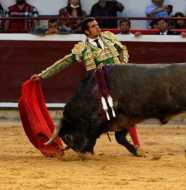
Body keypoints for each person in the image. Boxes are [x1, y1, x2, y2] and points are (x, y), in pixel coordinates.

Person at [30, 17, 142, 151]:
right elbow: (64, 62)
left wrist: (122, 65)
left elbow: (123, 50)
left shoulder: (109, 37)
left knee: (128, 110)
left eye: (97, 24)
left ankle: (135, 143)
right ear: (87, 32)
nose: (98, 27)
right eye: (94, 26)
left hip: (118, 82)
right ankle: (82, 141)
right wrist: (43, 75)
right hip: (97, 85)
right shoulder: (82, 47)